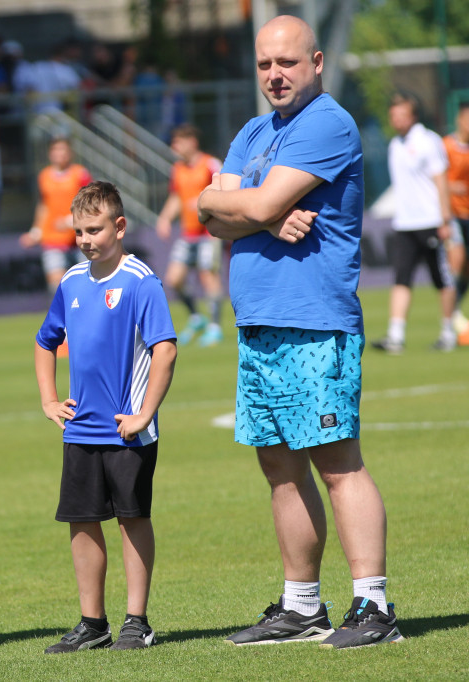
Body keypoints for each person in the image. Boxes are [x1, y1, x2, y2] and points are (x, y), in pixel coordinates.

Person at [197, 15, 402, 649]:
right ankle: (302, 606)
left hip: (315, 322)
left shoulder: (328, 123)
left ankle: (373, 605)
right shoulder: (254, 131)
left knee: (337, 463)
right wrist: (253, 213)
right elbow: (209, 214)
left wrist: (249, 209)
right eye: (264, 65)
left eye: (286, 63)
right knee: (279, 468)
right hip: (259, 322)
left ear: (315, 61)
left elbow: (243, 206)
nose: (275, 75)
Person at [34, 181, 177, 654]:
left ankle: (138, 621)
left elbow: (165, 351)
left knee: (131, 519)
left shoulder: (141, 281)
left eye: (94, 230)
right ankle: (92, 624)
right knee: (82, 521)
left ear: (119, 227)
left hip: (127, 431)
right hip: (80, 429)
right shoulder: (71, 282)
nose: (85, 239)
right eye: (78, 231)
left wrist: (144, 414)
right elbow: (44, 341)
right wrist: (49, 399)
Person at [371, 92, 458, 353]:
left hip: (430, 220)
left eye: (402, 114)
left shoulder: (428, 141)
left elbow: (440, 180)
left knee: (441, 279)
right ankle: (396, 336)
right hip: (405, 223)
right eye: (393, 115)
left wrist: (445, 219)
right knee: (401, 278)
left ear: (414, 115)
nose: (397, 120)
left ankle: (448, 331)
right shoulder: (395, 144)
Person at [154, 124, 225, 346]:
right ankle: (196, 317)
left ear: (192, 142)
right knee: (173, 279)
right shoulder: (178, 169)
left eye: (178, 142)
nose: (175, 147)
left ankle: (214, 326)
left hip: (209, 231)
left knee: (208, 276)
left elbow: (225, 188)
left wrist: (206, 198)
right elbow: (176, 197)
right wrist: (165, 218)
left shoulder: (210, 163)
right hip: (188, 234)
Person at [20, 137, 93, 293]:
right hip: (53, 237)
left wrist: (70, 221)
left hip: (80, 237)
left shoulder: (80, 174)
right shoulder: (44, 176)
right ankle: (65, 316)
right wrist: (36, 231)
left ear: (70, 153)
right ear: (50, 153)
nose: (60, 153)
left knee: (87, 284)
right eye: (56, 150)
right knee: (57, 285)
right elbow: (44, 205)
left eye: (63, 149)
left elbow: (90, 204)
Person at [442, 100, 469, 341]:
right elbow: (436, 179)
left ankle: (456, 313)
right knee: (456, 262)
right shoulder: (447, 146)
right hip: (453, 215)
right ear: (459, 119)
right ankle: (450, 320)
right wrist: (452, 188)